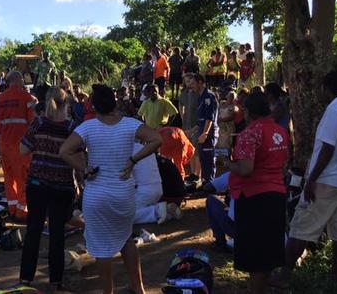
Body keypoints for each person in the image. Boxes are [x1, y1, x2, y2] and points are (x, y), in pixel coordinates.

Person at [60, 84, 162, 294]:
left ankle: (109, 292)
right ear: (114, 103)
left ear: (95, 106)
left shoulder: (88, 127)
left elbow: (64, 151)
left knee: (101, 249)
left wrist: (85, 168)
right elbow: (156, 139)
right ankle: (139, 288)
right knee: (126, 239)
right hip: (123, 194)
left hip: (96, 195)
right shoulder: (130, 124)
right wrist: (133, 160)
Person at [275, 71, 337, 287]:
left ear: (327, 88)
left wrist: (312, 178)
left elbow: (327, 148)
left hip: (326, 180)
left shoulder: (335, 110)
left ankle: (284, 275)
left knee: (301, 226)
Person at [224, 91, 290, 294]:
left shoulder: (250, 133)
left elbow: (245, 169)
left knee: (256, 257)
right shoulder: (280, 131)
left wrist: (227, 163)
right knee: (268, 251)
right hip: (277, 195)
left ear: (249, 111)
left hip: (254, 198)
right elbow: (284, 164)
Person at [18, 87, 77, 292]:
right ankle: (56, 282)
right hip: (62, 187)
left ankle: (25, 279)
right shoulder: (71, 127)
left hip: (37, 184)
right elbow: (79, 159)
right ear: (66, 104)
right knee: (57, 234)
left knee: (33, 230)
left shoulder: (39, 123)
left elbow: (23, 149)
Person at [0, 71, 36, 219]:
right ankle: (22, 210)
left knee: (9, 177)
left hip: (5, 145)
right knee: (24, 177)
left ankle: (12, 207)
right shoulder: (27, 97)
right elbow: (32, 121)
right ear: (19, 80)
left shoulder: (1, 98)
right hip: (21, 145)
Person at [188, 73, 219, 183]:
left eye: (192, 83)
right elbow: (201, 119)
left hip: (209, 132)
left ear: (200, 82)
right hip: (202, 131)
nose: (190, 86)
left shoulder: (209, 96)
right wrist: (192, 131)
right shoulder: (200, 97)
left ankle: (210, 182)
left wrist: (205, 133)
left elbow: (209, 118)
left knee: (208, 158)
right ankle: (205, 182)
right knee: (203, 158)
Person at [203, 172, 235, 252]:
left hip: (239, 229)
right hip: (263, 233)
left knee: (211, 200)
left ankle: (220, 243)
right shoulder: (268, 174)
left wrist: (228, 189)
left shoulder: (234, 173)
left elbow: (207, 187)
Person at [179, 73, 201, 179]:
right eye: (186, 81)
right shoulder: (184, 93)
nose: (188, 83)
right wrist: (182, 115)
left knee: (197, 151)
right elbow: (180, 104)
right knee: (190, 150)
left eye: (190, 81)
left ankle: (198, 175)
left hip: (197, 125)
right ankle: (193, 174)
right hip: (187, 125)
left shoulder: (198, 93)